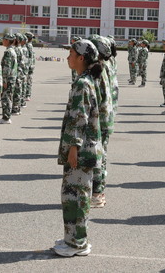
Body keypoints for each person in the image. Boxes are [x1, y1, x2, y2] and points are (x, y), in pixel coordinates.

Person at [52, 39, 102, 257]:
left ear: (81, 58)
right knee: (74, 194)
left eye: (71, 53)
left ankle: (77, 243)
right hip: (85, 148)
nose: (68, 57)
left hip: (81, 151)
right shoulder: (85, 79)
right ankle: (73, 237)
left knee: (76, 195)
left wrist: (73, 148)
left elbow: (79, 119)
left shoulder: (83, 83)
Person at [89, 35, 114, 209]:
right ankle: (98, 191)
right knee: (101, 156)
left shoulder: (98, 71)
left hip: (100, 121)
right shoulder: (104, 67)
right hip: (105, 120)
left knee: (97, 157)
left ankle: (97, 194)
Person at [0, 33, 17, 125]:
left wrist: (4, 80)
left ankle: (6, 117)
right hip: (12, 77)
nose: (3, 41)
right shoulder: (12, 50)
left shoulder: (8, 52)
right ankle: (6, 116)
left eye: (4, 39)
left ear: (8, 41)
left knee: (6, 98)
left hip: (8, 78)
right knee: (8, 97)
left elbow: (7, 68)